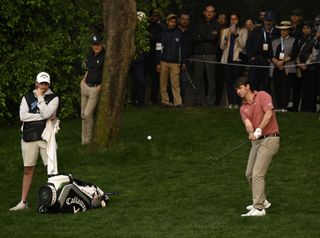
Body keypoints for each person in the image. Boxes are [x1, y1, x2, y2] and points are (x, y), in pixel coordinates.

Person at [10, 72, 59, 211]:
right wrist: (43, 116)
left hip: (46, 138)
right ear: (36, 83)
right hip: (29, 137)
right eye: (41, 83)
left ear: (49, 84)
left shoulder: (54, 97)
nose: (43, 86)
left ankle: (54, 201)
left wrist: (40, 99)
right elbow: (23, 116)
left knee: (51, 168)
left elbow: (48, 114)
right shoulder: (27, 97)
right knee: (28, 169)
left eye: (46, 83)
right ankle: (23, 203)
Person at [235, 76, 280, 217]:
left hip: (270, 139)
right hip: (257, 141)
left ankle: (259, 208)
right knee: (249, 174)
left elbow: (269, 113)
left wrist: (259, 129)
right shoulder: (243, 108)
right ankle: (263, 200)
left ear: (248, 86)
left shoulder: (262, 95)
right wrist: (251, 132)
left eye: (240, 88)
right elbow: (248, 124)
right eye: (236, 89)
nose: (238, 91)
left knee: (257, 173)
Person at [192, 5, 220, 106]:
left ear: (214, 14)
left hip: (210, 55)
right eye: (207, 11)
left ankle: (210, 102)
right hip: (198, 54)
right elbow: (194, 37)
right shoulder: (198, 24)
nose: (209, 13)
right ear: (204, 12)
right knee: (198, 80)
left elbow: (214, 38)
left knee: (211, 81)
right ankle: (198, 101)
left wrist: (201, 36)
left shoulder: (217, 24)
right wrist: (207, 36)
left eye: (211, 11)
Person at [156, 14, 186, 107]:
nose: (172, 23)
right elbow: (158, 49)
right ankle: (165, 101)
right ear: (167, 22)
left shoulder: (179, 34)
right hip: (163, 61)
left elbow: (182, 49)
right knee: (163, 83)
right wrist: (158, 63)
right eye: (171, 21)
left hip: (175, 62)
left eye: (174, 22)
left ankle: (178, 102)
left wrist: (182, 62)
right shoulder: (162, 34)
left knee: (175, 84)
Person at [80, 35, 105, 145]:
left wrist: (101, 86)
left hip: (95, 89)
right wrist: (82, 81)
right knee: (83, 114)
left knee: (87, 114)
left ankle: (88, 140)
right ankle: (83, 140)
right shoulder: (90, 55)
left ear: (102, 44)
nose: (96, 47)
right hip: (85, 86)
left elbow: (107, 73)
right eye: (94, 45)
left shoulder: (105, 56)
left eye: (98, 44)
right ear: (91, 45)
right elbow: (89, 69)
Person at [220, 13, 248, 109]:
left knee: (237, 82)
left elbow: (243, 45)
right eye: (231, 19)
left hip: (237, 60)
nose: (233, 21)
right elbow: (221, 46)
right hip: (226, 60)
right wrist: (226, 37)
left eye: (235, 19)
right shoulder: (225, 31)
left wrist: (236, 34)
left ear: (238, 20)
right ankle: (230, 103)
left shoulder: (243, 30)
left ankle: (237, 103)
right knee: (229, 82)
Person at [271, 21, 299, 110]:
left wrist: (282, 62)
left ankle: (284, 107)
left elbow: (294, 54)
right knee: (277, 88)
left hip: (287, 68)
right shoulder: (274, 41)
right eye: (281, 30)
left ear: (289, 31)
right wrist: (277, 62)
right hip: (276, 68)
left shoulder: (293, 40)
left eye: (285, 30)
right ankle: (278, 107)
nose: (283, 32)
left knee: (286, 88)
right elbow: (270, 54)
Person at [145, 9, 166, 105]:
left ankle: (154, 99)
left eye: (155, 15)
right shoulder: (146, 26)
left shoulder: (161, 28)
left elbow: (160, 41)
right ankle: (142, 99)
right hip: (146, 56)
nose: (153, 17)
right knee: (144, 78)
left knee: (155, 79)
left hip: (156, 56)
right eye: (152, 15)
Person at [297, 21, 318, 112]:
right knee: (304, 90)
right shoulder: (300, 40)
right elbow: (297, 53)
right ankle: (304, 109)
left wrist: (306, 64)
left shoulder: (314, 39)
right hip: (301, 68)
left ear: (311, 29)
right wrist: (299, 63)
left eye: (308, 28)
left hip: (311, 68)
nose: (305, 30)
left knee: (311, 90)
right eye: (304, 28)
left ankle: (311, 109)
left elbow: (315, 54)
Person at [177, 12, 194, 104]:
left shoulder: (191, 32)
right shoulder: (175, 31)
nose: (185, 21)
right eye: (183, 19)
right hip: (175, 61)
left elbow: (193, 46)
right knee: (174, 82)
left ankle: (182, 100)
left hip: (187, 61)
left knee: (184, 82)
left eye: (187, 20)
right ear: (179, 19)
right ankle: (174, 100)